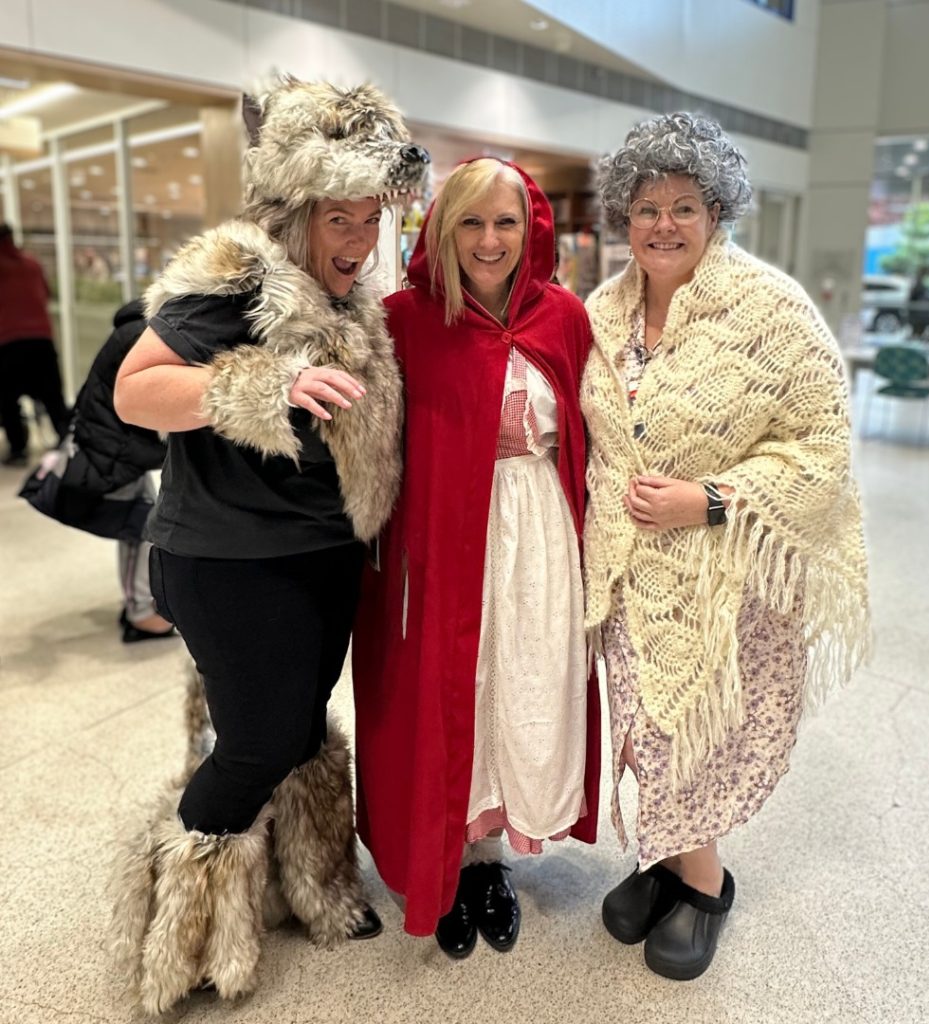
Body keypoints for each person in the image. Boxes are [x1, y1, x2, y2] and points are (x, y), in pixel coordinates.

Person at [107, 79, 430, 1015]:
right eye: (341, 218)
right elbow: (137, 391)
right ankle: (187, 927)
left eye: (370, 219)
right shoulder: (237, 274)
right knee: (256, 741)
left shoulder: (350, 294)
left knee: (296, 727)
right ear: (294, 209)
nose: (359, 240)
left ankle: (311, 885)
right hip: (229, 560)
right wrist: (266, 386)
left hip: (320, 558)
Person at [581, 113, 870, 981]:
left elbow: (823, 452)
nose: (662, 225)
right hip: (626, 573)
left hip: (725, 579)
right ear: (621, 218)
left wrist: (711, 498)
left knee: (689, 734)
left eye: (683, 206)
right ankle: (666, 861)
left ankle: (703, 884)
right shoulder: (601, 310)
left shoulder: (772, 310)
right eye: (645, 208)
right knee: (635, 731)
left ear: (718, 212)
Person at [352, 158, 600, 958]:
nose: (489, 240)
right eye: (471, 222)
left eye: (505, 223)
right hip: (440, 544)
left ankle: (490, 858)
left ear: (531, 228)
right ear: (442, 227)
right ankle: (444, 862)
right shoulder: (400, 321)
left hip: (540, 541)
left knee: (519, 687)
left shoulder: (564, 316)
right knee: (447, 692)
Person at [18, 299, 174, 641]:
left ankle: (142, 607)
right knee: (141, 527)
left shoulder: (135, 329)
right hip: (115, 452)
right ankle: (143, 613)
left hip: (113, 447)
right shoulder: (144, 335)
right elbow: (143, 405)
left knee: (142, 526)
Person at [0, 223, 71, 466]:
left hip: (7, 341)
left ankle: (19, 449)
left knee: (8, 401)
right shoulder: (31, 264)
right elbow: (45, 294)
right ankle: (67, 441)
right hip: (40, 338)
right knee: (53, 396)